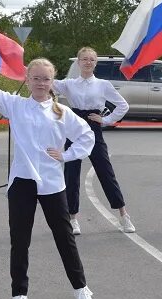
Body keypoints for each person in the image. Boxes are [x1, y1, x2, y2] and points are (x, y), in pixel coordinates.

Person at [0, 58, 96, 299]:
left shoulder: (62, 112)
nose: (40, 83)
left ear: (52, 83)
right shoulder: (15, 106)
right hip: (22, 182)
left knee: (65, 237)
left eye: (45, 79)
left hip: (52, 184)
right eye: (35, 78)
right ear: (27, 80)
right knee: (20, 239)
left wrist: (67, 156)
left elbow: (86, 136)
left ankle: (81, 287)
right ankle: (19, 293)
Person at [52, 46, 135, 234]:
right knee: (71, 174)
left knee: (105, 171)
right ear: (78, 62)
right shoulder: (69, 84)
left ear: (95, 63)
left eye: (91, 59)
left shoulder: (103, 84)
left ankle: (123, 215)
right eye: (84, 59)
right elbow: (48, 82)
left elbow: (123, 105)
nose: (88, 62)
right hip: (74, 128)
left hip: (94, 127)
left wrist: (105, 120)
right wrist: (22, 69)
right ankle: (73, 219)